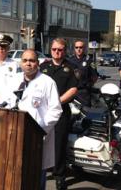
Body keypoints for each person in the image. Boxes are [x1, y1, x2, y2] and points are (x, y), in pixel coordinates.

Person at [13, 49, 62, 190]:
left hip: (37, 138)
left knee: (36, 177)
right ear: (21, 63)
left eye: (32, 60)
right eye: (25, 60)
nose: (28, 64)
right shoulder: (14, 80)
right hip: (15, 136)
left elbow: (56, 110)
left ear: (38, 63)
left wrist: (40, 130)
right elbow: (4, 102)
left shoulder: (48, 82)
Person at [40, 38, 78, 190]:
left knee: (59, 145)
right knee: (41, 142)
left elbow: (73, 89)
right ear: (51, 50)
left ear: (64, 51)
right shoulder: (43, 66)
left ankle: (60, 176)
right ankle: (43, 170)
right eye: (54, 49)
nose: (57, 52)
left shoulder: (71, 68)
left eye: (60, 50)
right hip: (42, 111)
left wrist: (55, 102)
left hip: (61, 111)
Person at [68, 40, 99, 107]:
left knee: (85, 113)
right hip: (71, 91)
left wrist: (89, 85)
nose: (78, 49)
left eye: (80, 47)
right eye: (77, 47)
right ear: (74, 48)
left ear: (84, 48)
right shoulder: (70, 60)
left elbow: (95, 76)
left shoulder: (89, 61)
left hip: (83, 92)